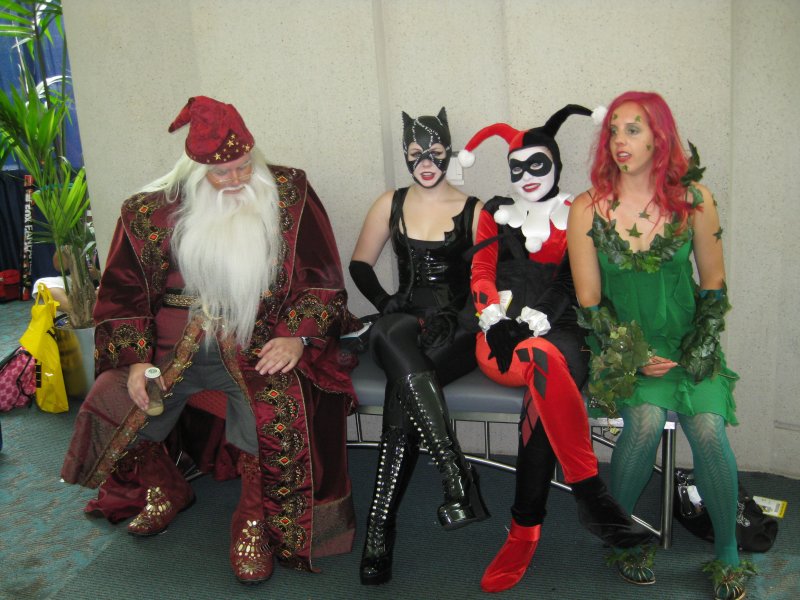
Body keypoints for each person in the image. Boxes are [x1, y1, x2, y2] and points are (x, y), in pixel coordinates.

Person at [60, 96, 359, 584]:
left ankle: (254, 521)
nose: (237, 179)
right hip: (166, 347)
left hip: (256, 341)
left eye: (244, 166)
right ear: (197, 170)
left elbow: (321, 278)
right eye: (222, 173)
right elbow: (122, 294)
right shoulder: (147, 211)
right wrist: (134, 362)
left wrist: (297, 338)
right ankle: (167, 488)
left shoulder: (289, 192)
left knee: (273, 408)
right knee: (114, 402)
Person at [567, 91, 754, 600]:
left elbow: (713, 285)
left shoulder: (695, 201)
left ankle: (728, 554)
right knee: (646, 421)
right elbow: (589, 301)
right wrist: (632, 355)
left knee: (709, 429)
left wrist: (696, 350)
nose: (619, 140)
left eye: (633, 129)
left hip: (688, 341)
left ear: (660, 137)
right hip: (621, 344)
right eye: (614, 130)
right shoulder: (586, 208)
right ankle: (622, 538)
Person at [458, 105, 652, 594]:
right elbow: (481, 272)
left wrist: (533, 321)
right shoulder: (494, 213)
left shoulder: (578, 210)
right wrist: (493, 318)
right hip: (498, 337)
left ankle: (524, 531)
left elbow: (572, 280)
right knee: (542, 368)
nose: (526, 175)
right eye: (516, 167)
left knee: (545, 378)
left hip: (562, 331)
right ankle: (590, 494)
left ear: (557, 164)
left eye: (537, 164)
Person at [349, 107, 487, 586]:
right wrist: (385, 302)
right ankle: (456, 473)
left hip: (459, 330)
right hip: (405, 321)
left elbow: (492, 280)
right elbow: (361, 265)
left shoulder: (476, 210)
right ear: (405, 156)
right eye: (415, 153)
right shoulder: (390, 202)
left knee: (401, 392)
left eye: (435, 151)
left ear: (449, 152)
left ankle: (378, 532)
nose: (425, 162)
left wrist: (464, 318)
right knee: (388, 332)